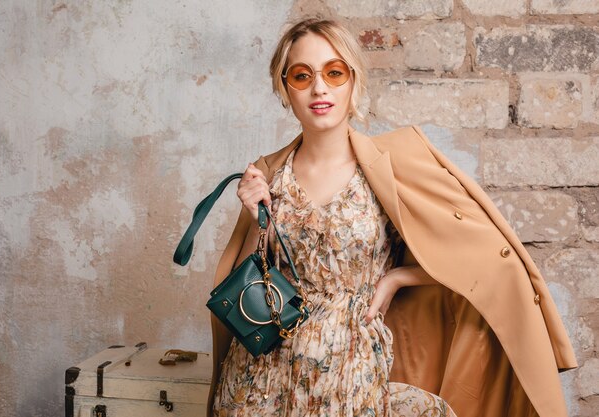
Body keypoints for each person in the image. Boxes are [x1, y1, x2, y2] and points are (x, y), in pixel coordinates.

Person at [207, 18, 577, 417]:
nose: (319, 88)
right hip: (261, 383)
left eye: (334, 72)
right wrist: (255, 214)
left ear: (354, 81)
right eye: (302, 75)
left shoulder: (396, 163)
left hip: (353, 375)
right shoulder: (268, 173)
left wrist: (398, 279)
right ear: (284, 87)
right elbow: (243, 287)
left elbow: (484, 258)